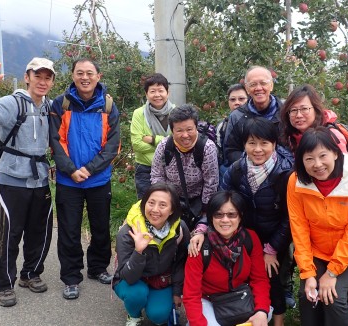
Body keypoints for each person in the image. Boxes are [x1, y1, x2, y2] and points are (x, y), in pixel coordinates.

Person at [0, 57, 55, 307]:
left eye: (48, 77)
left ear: (52, 82)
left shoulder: (50, 108)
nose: (43, 81)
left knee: (40, 232)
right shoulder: (11, 104)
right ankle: (5, 284)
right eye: (38, 76)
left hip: (40, 181)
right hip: (11, 181)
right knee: (8, 235)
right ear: (27, 77)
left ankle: (30, 274)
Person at [287, 127, 348, 325]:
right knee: (307, 293)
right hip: (317, 248)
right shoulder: (296, 182)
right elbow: (299, 228)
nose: (317, 164)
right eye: (309, 158)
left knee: (333, 297)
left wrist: (332, 273)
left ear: (336, 153)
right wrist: (308, 273)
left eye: (322, 156)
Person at [49, 58, 121, 299]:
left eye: (90, 73)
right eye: (80, 73)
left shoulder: (108, 106)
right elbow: (55, 141)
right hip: (68, 180)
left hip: (98, 179)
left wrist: (88, 169)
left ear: (98, 76)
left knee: (100, 227)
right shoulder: (61, 104)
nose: (85, 77)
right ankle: (71, 277)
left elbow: (113, 146)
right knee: (69, 230)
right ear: (72, 76)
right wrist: (71, 169)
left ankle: (98, 268)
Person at [220, 116, 293, 326]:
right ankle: (247, 314)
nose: (258, 149)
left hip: (275, 237)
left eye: (264, 143)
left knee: (273, 278)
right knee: (244, 277)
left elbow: (291, 217)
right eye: (252, 143)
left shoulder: (285, 174)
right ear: (244, 145)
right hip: (244, 236)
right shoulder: (237, 169)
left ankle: (278, 320)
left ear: (274, 144)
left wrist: (271, 249)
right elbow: (223, 201)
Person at [183, 191, 271, 326]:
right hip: (209, 299)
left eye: (231, 214)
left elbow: (259, 279)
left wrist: (261, 311)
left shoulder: (250, 239)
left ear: (240, 216)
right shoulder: (199, 246)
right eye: (218, 214)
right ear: (211, 217)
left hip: (238, 296)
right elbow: (191, 294)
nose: (225, 220)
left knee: (266, 314)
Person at [112, 182, 190, 326]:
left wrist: (177, 292)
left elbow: (180, 262)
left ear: (172, 210)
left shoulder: (179, 229)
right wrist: (138, 251)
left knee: (158, 316)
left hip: (161, 279)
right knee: (136, 294)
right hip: (133, 281)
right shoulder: (128, 232)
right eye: (151, 203)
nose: (155, 210)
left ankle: (156, 303)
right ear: (144, 204)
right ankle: (134, 315)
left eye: (162, 205)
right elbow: (127, 277)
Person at [150, 104, 219, 229]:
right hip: (171, 198)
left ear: (196, 127)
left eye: (189, 129)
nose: (185, 135)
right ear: (172, 131)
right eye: (179, 130)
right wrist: (162, 202)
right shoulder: (164, 146)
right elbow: (157, 175)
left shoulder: (207, 148)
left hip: (198, 199)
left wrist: (205, 211)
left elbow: (211, 182)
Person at [222, 66, 284, 168]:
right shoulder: (237, 116)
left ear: (271, 85)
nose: (259, 88)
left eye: (263, 83)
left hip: (282, 173)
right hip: (248, 174)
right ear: (247, 89)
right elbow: (231, 150)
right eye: (253, 84)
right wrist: (251, 165)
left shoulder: (285, 112)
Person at [130, 73, 174, 199]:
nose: (157, 95)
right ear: (146, 94)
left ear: (167, 92)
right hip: (145, 169)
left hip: (171, 167)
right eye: (152, 91)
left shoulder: (176, 113)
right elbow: (137, 145)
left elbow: (177, 142)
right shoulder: (139, 114)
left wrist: (153, 139)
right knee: (146, 204)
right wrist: (165, 143)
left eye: (161, 90)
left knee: (171, 204)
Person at [280, 84, 347, 154]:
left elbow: (343, 164)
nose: (298, 115)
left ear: (316, 110)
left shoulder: (332, 136)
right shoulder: (289, 138)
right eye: (293, 110)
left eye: (304, 109)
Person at [216, 84, 248, 176]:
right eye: (233, 100)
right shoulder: (222, 126)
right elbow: (219, 154)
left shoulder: (257, 124)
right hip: (228, 173)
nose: (237, 103)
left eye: (241, 99)